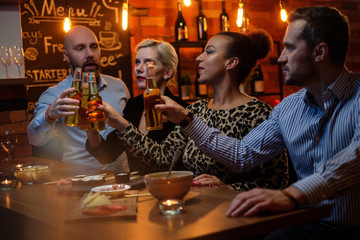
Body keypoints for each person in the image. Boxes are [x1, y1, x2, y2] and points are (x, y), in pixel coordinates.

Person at [155, 6, 360, 239]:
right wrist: (186, 119)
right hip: (305, 225)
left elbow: (356, 158)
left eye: (290, 48)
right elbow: (242, 155)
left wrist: (293, 194)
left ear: (319, 52)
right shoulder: (288, 108)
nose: (280, 58)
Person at [90, 31, 289, 191]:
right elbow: (162, 157)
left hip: (238, 217)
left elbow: (276, 181)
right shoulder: (197, 110)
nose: (198, 57)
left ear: (231, 62)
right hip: (198, 212)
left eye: (209, 52)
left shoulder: (258, 112)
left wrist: (230, 189)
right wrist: (121, 124)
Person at [27, 26, 130, 171]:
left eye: (94, 47)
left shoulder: (119, 87)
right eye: (80, 48)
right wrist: (49, 115)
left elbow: (132, 136)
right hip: (80, 183)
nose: (90, 54)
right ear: (66, 55)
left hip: (122, 182)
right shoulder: (56, 94)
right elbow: (34, 140)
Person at [86, 39, 188, 175]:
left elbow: (167, 165)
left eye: (149, 63)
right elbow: (106, 155)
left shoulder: (181, 110)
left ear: (167, 72)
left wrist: (122, 124)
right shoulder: (133, 106)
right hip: (138, 192)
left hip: (168, 188)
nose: (138, 69)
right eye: (137, 62)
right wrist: (89, 127)